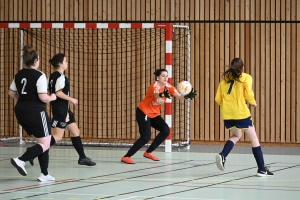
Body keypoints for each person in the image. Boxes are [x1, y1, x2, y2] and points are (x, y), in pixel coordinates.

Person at [121, 69, 197, 164]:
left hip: (154, 114)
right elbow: (156, 95)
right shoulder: (154, 86)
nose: (165, 78)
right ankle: (126, 156)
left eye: (166, 76)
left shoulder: (168, 86)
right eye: (163, 76)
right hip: (143, 112)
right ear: (157, 77)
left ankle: (148, 152)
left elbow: (179, 96)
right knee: (145, 137)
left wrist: (187, 94)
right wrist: (163, 94)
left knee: (165, 130)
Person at [214, 58, 274, 177]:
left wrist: (228, 107)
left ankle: (223, 155)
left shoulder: (224, 80)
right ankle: (261, 169)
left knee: (237, 135)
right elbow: (248, 93)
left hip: (227, 113)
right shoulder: (246, 77)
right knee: (254, 139)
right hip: (241, 113)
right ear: (242, 68)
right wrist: (253, 102)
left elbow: (218, 99)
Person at [9, 45, 57, 182]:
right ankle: (21, 159)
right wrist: (52, 97)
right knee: (45, 143)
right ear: (36, 60)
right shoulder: (39, 75)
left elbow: (11, 93)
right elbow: (43, 97)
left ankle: (44, 173)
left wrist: (25, 99)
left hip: (20, 110)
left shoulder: (19, 74)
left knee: (43, 141)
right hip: (36, 111)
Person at [45, 53, 95, 166]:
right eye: (65, 61)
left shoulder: (52, 77)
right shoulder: (60, 77)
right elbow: (58, 92)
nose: (67, 63)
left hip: (64, 110)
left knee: (75, 131)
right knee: (57, 137)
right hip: (60, 110)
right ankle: (36, 150)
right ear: (59, 63)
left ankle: (82, 158)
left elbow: (48, 89)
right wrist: (71, 99)